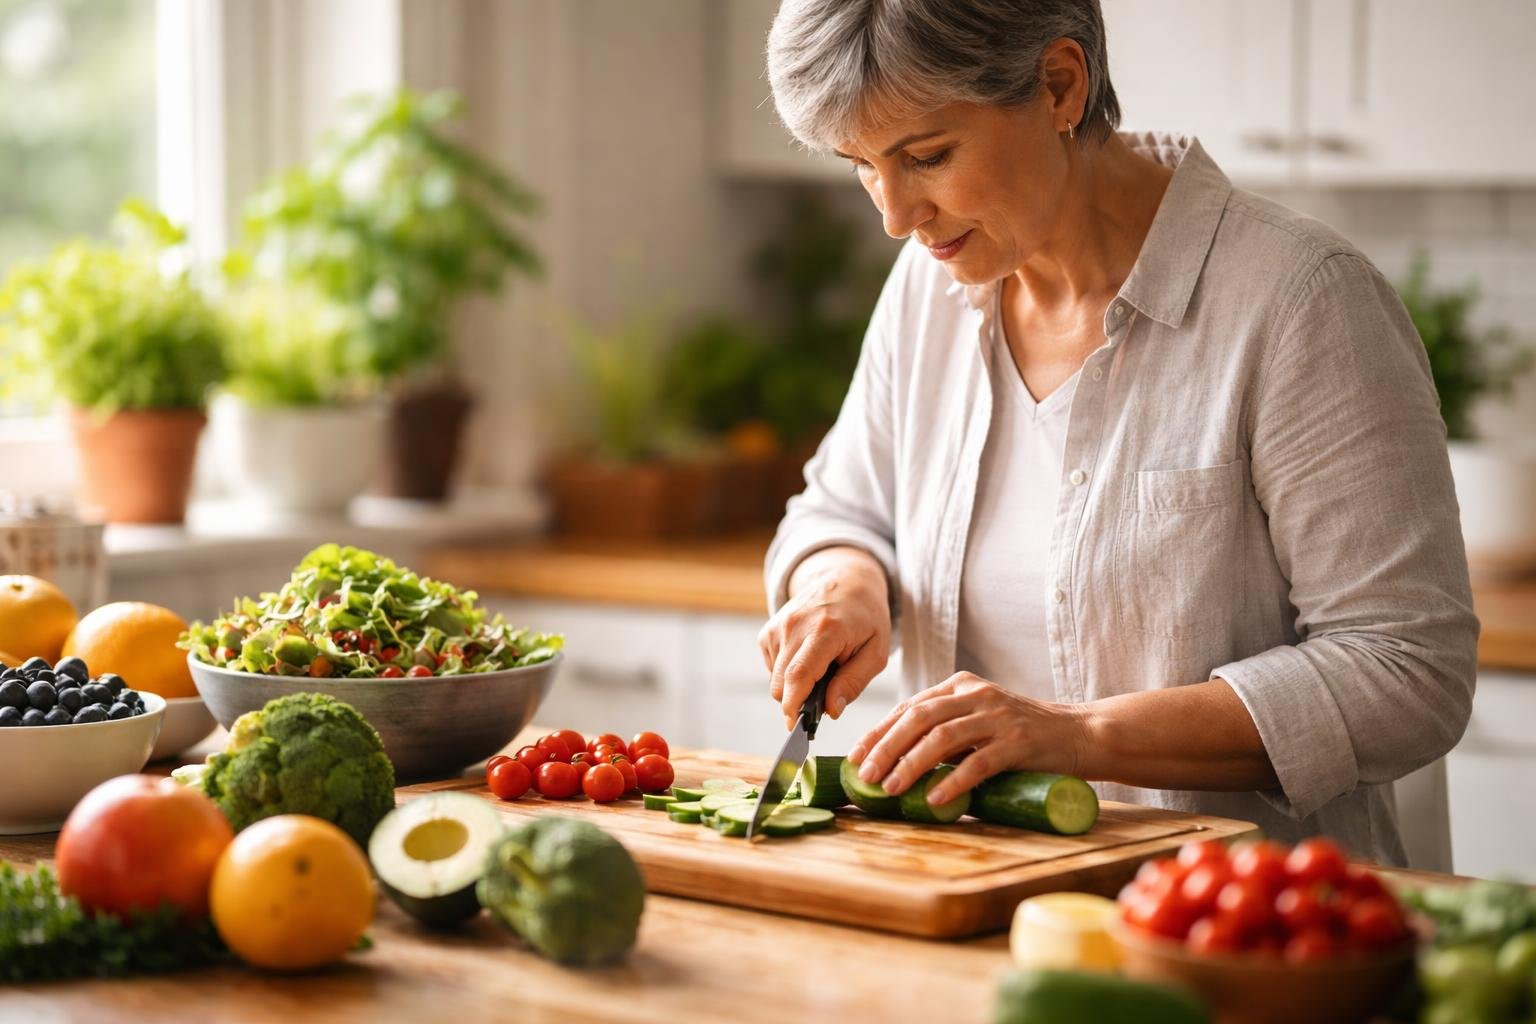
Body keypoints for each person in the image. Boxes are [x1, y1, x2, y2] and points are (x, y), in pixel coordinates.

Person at [756, 0, 1477, 864]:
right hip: (977, 895)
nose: (895, 217)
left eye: (928, 157)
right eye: (860, 167)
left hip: (1240, 928)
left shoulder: (1301, 300)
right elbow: (842, 508)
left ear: (1060, 85)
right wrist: (843, 586)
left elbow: (1407, 671)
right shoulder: (929, 288)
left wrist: (1075, 735)